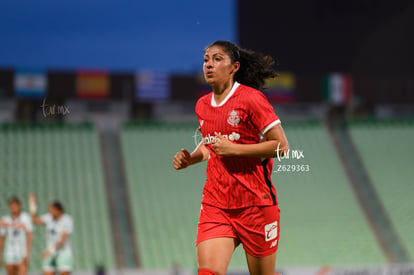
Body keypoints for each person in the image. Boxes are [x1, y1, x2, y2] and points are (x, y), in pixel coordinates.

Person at [173, 41, 289, 275]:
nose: (208, 65)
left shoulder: (251, 99)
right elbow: (211, 145)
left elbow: (281, 147)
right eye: (206, 59)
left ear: (234, 67)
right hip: (216, 204)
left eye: (217, 59)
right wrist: (191, 159)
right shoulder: (202, 105)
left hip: (256, 204)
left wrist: (235, 150)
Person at [30, 194, 73, 275]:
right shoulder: (49, 217)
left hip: (63, 252)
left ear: (58, 210)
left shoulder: (67, 219)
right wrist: (32, 205)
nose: (50, 211)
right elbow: (35, 221)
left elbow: (62, 240)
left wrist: (50, 251)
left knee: (64, 272)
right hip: (50, 253)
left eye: (51, 209)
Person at [0, 197, 33, 275]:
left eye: (15, 205)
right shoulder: (6, 219)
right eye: (11, 206)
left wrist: (27, 253)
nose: (13, 208)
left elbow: (29, 236)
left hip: (21, 252)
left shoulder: (25, 218)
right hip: (9, 252)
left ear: (19, 206)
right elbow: (2, 238)